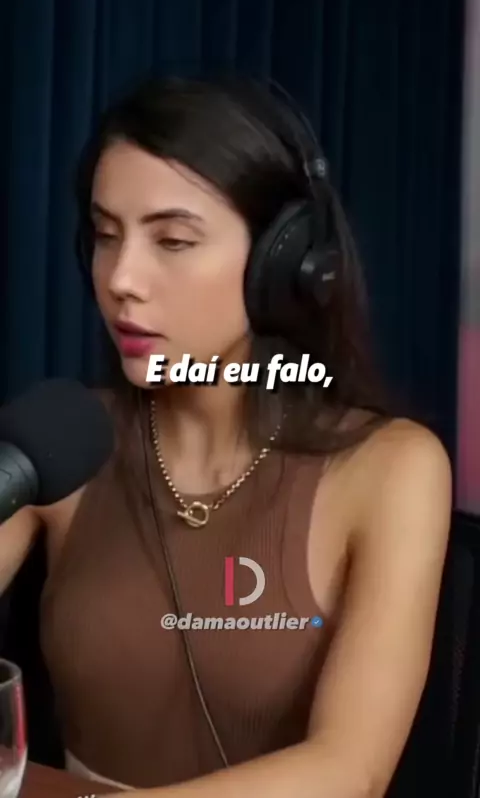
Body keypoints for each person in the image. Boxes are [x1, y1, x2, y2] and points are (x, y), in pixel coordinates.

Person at [0, 77, 451, 798]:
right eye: (106, 235)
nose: (121, 279)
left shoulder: (393, 468)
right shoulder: (60, 438)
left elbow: (350, 769)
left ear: (284, 263)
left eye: (173, 240)